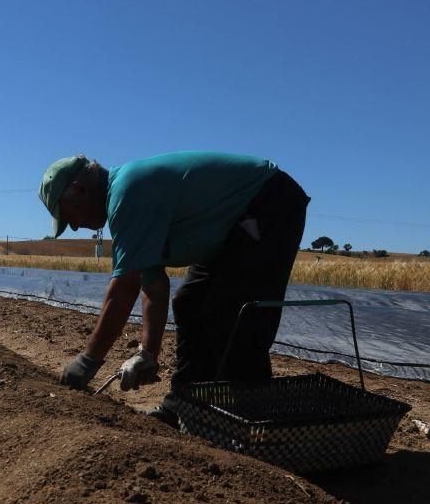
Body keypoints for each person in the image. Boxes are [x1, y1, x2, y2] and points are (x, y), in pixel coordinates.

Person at [38, 151, 309, 427]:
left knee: (230, 311)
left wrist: (87, 362)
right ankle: (184, 406)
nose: (72, 226)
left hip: (270, 202)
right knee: (189, 302)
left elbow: (123, 291)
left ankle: (252, 419)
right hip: (235, 224)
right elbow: (152, 285)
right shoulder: (127, 199)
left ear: (80, 189)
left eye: (66, 214)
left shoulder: (127, 192)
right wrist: (149, 353)